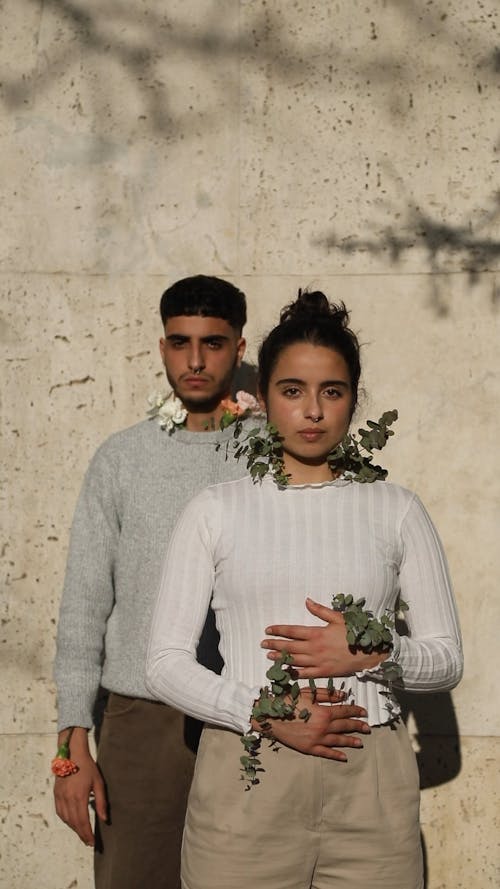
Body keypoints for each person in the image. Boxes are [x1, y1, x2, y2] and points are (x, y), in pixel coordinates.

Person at [53, 276, 367, 889]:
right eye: (180, 342)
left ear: (241, 348)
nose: (195, 361)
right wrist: (70, 755)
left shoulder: (281, 450)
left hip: (260, 713)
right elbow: (84, 609)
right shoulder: (122, 458)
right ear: (162, 347)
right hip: (145, 722)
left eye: (214, 344)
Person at [146, 290, 463, 889]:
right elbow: (163, 664)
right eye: (292, 391)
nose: (312, 410)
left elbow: (447, 660)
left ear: (353, 400)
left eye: (332, 391)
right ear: (263, 398)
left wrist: (378, 653)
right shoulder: (215, 510)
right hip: (248, 781)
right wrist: (261, 712)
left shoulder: (397, 510)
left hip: (373, 788)